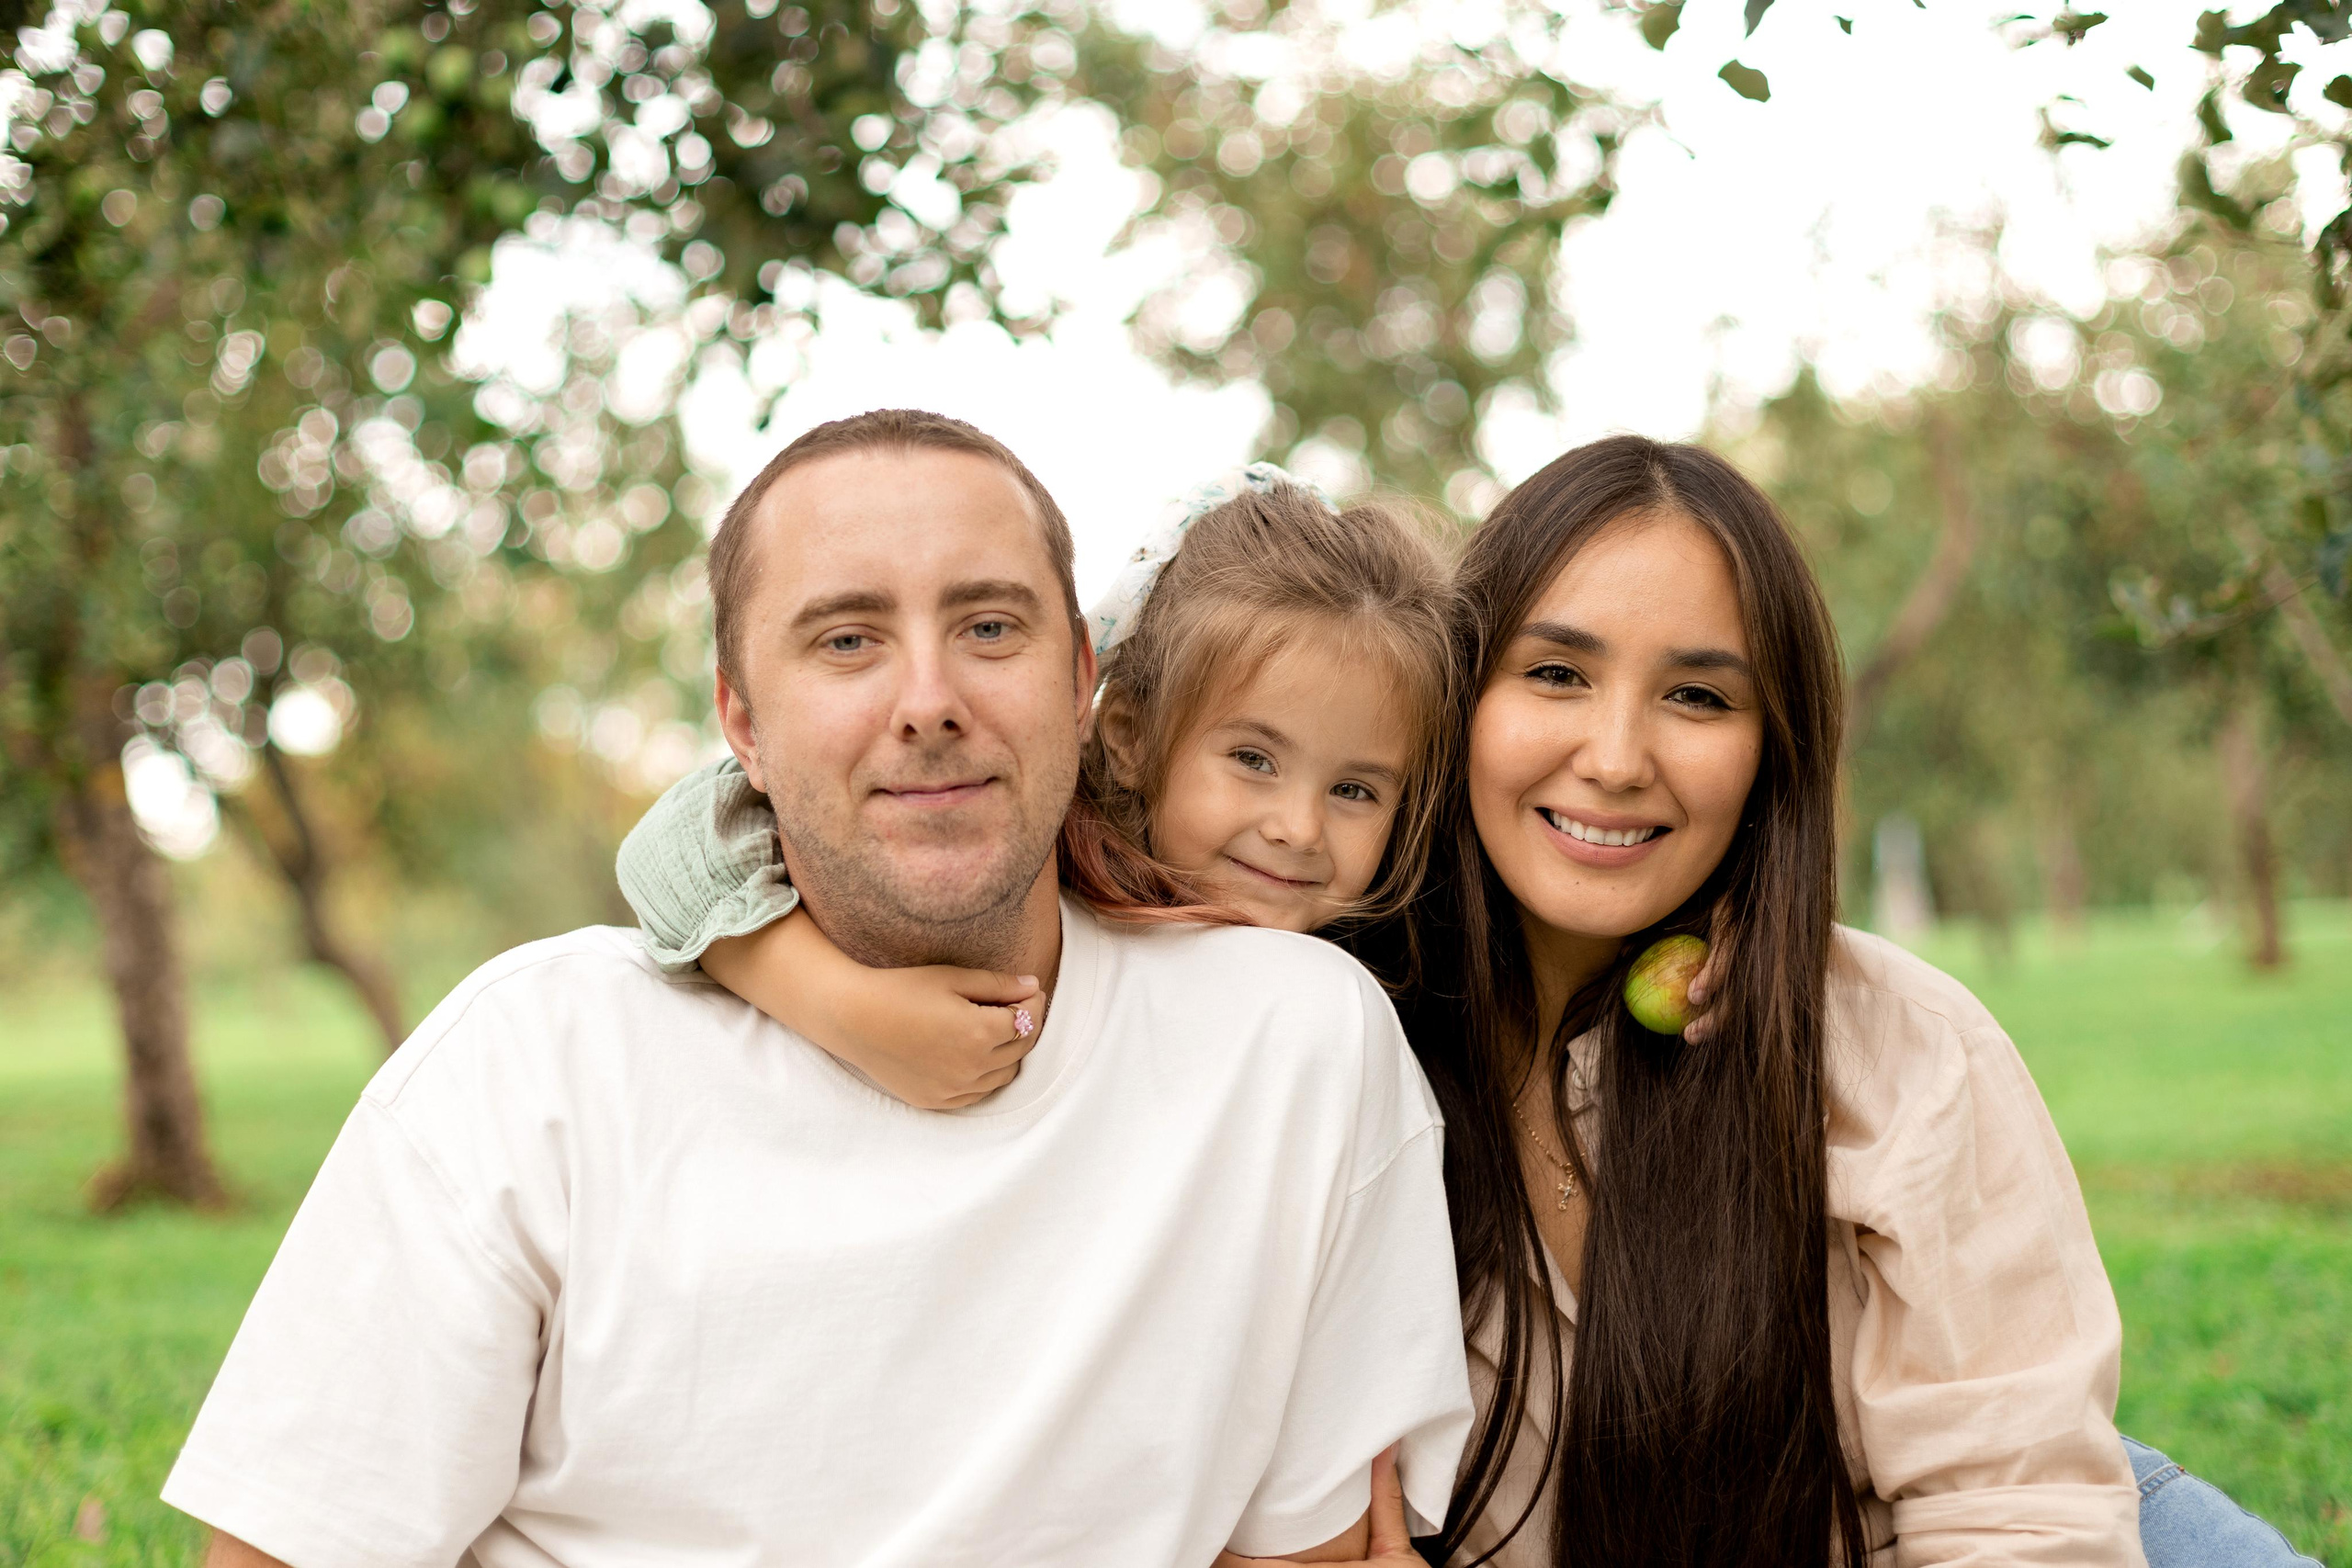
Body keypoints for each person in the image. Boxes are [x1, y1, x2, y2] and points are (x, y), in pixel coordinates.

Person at [632, 436, 2320, 1568]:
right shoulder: (1316, 1001)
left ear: (1774, 744)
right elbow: (714, 816)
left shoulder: (1868, 1037)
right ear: (1460, 708)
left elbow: (2022, 1509)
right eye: (1559, 674)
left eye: (1700, 695)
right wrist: (800, 979)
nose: (1616, 754)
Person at [159, 411, 1475, 1568]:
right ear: (740, 720)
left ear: (1084, 679)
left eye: (990, 626)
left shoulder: (1298, 1038)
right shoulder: (533, 1059)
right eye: (846, 638)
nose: (929, 697)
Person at [616, 463, 1465, 1107]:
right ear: (1128, 738)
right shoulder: (1043, 841)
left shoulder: (1367, 982)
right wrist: (842, 1006)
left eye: (1355, 791)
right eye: (1253, 760)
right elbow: (679, 839)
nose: (1299, 829)